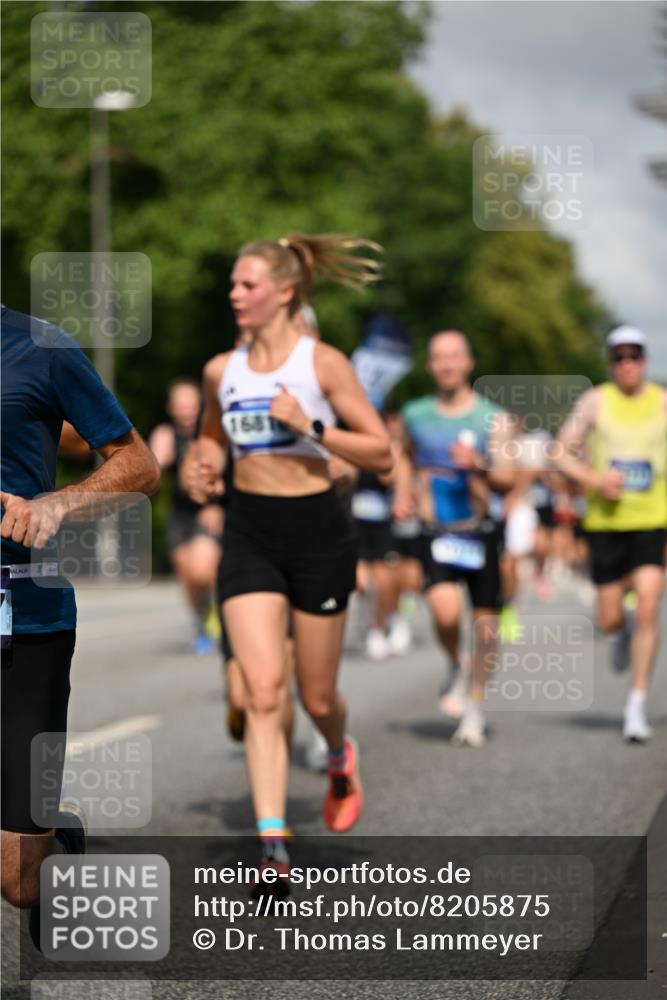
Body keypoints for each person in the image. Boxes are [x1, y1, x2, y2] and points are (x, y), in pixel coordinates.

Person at [184, 234, 391, 893]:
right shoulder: (223, 370)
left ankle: (337, 752)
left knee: (316, 693)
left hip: (318, 535)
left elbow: (380, 453)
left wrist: (311, 426)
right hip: (249, 534)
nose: (234, 294)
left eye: (246, 285)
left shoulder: (321, 365)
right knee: (262, 689)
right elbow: (213, 441)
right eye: (233, 285)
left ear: (284, 292)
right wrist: (202, 469)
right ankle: (273, 847)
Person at [0, 305, 159, 920]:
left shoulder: (39, 347)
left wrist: (58, 505)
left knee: (19, 881)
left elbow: (139, 464)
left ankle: (54, 850)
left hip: (26, 617)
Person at [395, 330, 515, 747]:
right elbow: (401, 456)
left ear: (469, 363)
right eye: (438, 357)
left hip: (479, 533)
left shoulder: (493, 417)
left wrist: (478, 464)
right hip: (436, 533)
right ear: (430, 365)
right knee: (445, 615)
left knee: (485, 630)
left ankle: (474, 710)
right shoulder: (415, 413)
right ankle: (452, 662)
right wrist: (402, 493)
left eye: (454, 357)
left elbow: (508, 479)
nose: (446, 364)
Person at [555, 325, 666, 742]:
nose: (627, 364)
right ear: (610, 362)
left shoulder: (662, 402)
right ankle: (620, 631)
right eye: (619, 356)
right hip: (604, 523)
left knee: (651, 604)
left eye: (634, 355)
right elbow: (560, 452)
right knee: (610, 616)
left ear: (645, 359)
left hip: (652, 519)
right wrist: (594, 480)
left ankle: (636, 704)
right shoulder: (595, 401)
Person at [149, 379, 223, 654]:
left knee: (203, 570)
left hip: (208, 512)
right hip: (179, 514)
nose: (186, 411)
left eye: (191, 404)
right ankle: (200, 620)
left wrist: (218, 506)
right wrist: (158, 458)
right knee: (188, 577)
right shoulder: (165, 434)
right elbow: (152, 472)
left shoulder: (211, 434)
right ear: (171, 408)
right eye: (180, 405)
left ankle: (217, 615)